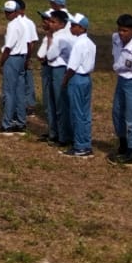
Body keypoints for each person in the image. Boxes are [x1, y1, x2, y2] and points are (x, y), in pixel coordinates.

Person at [108, 13, 132, 166]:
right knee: (117, 112)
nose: (121, 33)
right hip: (121, 79)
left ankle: (131, 152)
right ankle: (122, 144)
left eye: (125, 31)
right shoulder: (115, 39)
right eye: (120, 30)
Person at [60, 13, 96, 158]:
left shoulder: (78, 44)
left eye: (73, 26)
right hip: (86, 79)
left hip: (76, 78)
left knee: (77, 113)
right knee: (85, 113)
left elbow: (72, 67)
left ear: (81, 28)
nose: (71, 28)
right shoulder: (90, 43)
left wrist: (65, 80)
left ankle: (80, 146)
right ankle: (85, 143)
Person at [40, 9, 74, 147]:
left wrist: (49, 38)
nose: (50, 24)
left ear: (61, 24)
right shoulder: (58, 35)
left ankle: (63, 136)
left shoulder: (59, 37)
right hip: (54, 68)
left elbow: (51, 55)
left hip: (59, 69)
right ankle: (55, 133)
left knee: (60, 103)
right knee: (53, 102)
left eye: (53, 22)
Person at [0, 0, 28, 134]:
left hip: (12, 59)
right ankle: (21, 122)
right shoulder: (22, 24)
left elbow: (8, 48)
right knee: (19, 92)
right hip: (21, 58)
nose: (7, 14)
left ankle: (7, 124)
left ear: (15, 12)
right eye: (6, 11)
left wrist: (1, 63)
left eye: (9, 12)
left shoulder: (12, 26)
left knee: (9, 92)